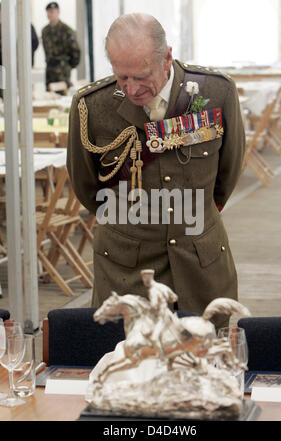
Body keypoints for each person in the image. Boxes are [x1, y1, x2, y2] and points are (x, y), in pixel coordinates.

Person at [67, 13, 245, 330]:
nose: (132, 89)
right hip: (126, 272)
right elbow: (87, 187)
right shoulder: (92, 106)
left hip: (199, 265)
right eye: (122, 77)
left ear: (166, 58)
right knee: (128, 365)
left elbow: (227, 176)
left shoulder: (216, 94)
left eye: (141, 76)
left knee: (203, 365)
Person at [42, 2, 80, 91]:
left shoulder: (66, 30)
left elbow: (76, 51)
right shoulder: (45, 31)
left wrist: (67, 66)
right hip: (49, 70)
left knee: (62, 97)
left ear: (58, 12)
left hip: (62, 71)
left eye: (52, 11)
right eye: (48, 12)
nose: (49, 14)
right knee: (50, 96)